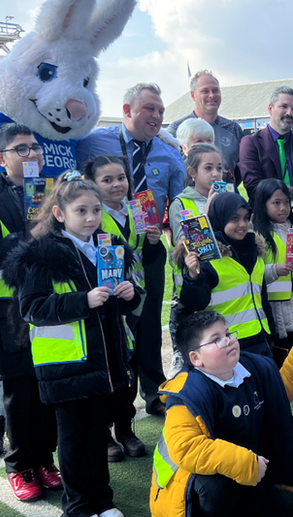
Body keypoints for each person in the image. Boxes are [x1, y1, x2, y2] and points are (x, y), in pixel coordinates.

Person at [2, 173, 141, 517]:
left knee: (97, 434)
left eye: (96, 210)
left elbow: (120, 303)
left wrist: (129, 294)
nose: (92, 218)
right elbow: (32, 308)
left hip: (105, 362)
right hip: (66, 365)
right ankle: (79, 506)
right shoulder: (43, 253)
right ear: (60, 214)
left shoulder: (109, 247)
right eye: (82, 210)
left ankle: (103, 501)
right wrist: (83, 300)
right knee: (74, 440)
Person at [0, 122, 60, 502]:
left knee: (49, 381)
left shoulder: (52, 190)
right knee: (19, 390)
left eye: (35, 147)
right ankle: (20, 465)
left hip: (52, 302)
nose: (33, 154)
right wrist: (32, 236)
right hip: (10, 306)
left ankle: (46, 459)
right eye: (22, 149)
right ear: (1, 158)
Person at [76, 82, 184, 416]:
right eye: (150, 109)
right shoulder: (92, 143)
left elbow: (179, 203)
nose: (156, 116)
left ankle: (154, 391)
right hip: (104, 247)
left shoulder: (169, 154)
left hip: (148, 249)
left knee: (150, 322)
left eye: (161, 111)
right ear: (127, 111)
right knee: (114, 323)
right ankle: (116, 397)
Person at [148, 310, 293, 517]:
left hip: (243, 469)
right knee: (218, 489)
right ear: (196, 358)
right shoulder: (186, 393)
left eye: (228, 334)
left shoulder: (251, 367)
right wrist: (247, 463)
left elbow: (277, 395)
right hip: (191, 483)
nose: (228, 341)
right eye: (216, 339)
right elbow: (186, 448)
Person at [83, 155, 163, 462]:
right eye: (107, 180)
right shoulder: (91, 216)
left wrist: (155, 242)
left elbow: (151, 258)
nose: (117, 185)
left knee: (130, 368)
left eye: (121, 178)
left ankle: (125, 429)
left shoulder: (137, 209)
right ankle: (103, 434)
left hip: (135, 302)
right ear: (92, 183)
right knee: (108, 367)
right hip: (104, 305)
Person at [172, 192, 276, 357]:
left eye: (245, 218)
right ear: (219, 218)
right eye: (234, 218)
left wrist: (272, 334)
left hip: (261, 339)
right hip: (227, 344)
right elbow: (194, 303)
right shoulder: (206, 257)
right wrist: (193, 275)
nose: (242, 224)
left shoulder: (255, 251)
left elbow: (262, 300)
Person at [167, 143, 226, 375]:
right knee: (196, 352)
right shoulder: (181, 203)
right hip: (193, 287)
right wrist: (208, 212)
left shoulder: (226, 195)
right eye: (208, 168)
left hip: (222, 284)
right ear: (192, 172)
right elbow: (183, 248)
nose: (215, 174)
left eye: (219, 168)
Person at [253, 180, 293, 351]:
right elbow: (253, 272)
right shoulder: (257, 235)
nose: (283, 207)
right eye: (276, 203)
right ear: (262, 204)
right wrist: (274, 270)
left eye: (287, 202)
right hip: (273, 306)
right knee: (279, 350)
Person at [238, 86, 293, 203]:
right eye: (284, 106)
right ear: (270, 108)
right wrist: (288, 200)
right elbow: (254, 187)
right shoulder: (251, 143)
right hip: (265, 216)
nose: (289, 113)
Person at [167, 70, 245, 182]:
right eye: (205, 91)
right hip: (189, 197)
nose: (212, 95)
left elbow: (238, 173)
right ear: (193, 95)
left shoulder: (233, 129)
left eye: (215, 90)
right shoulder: (176, 130)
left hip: (226, 197)